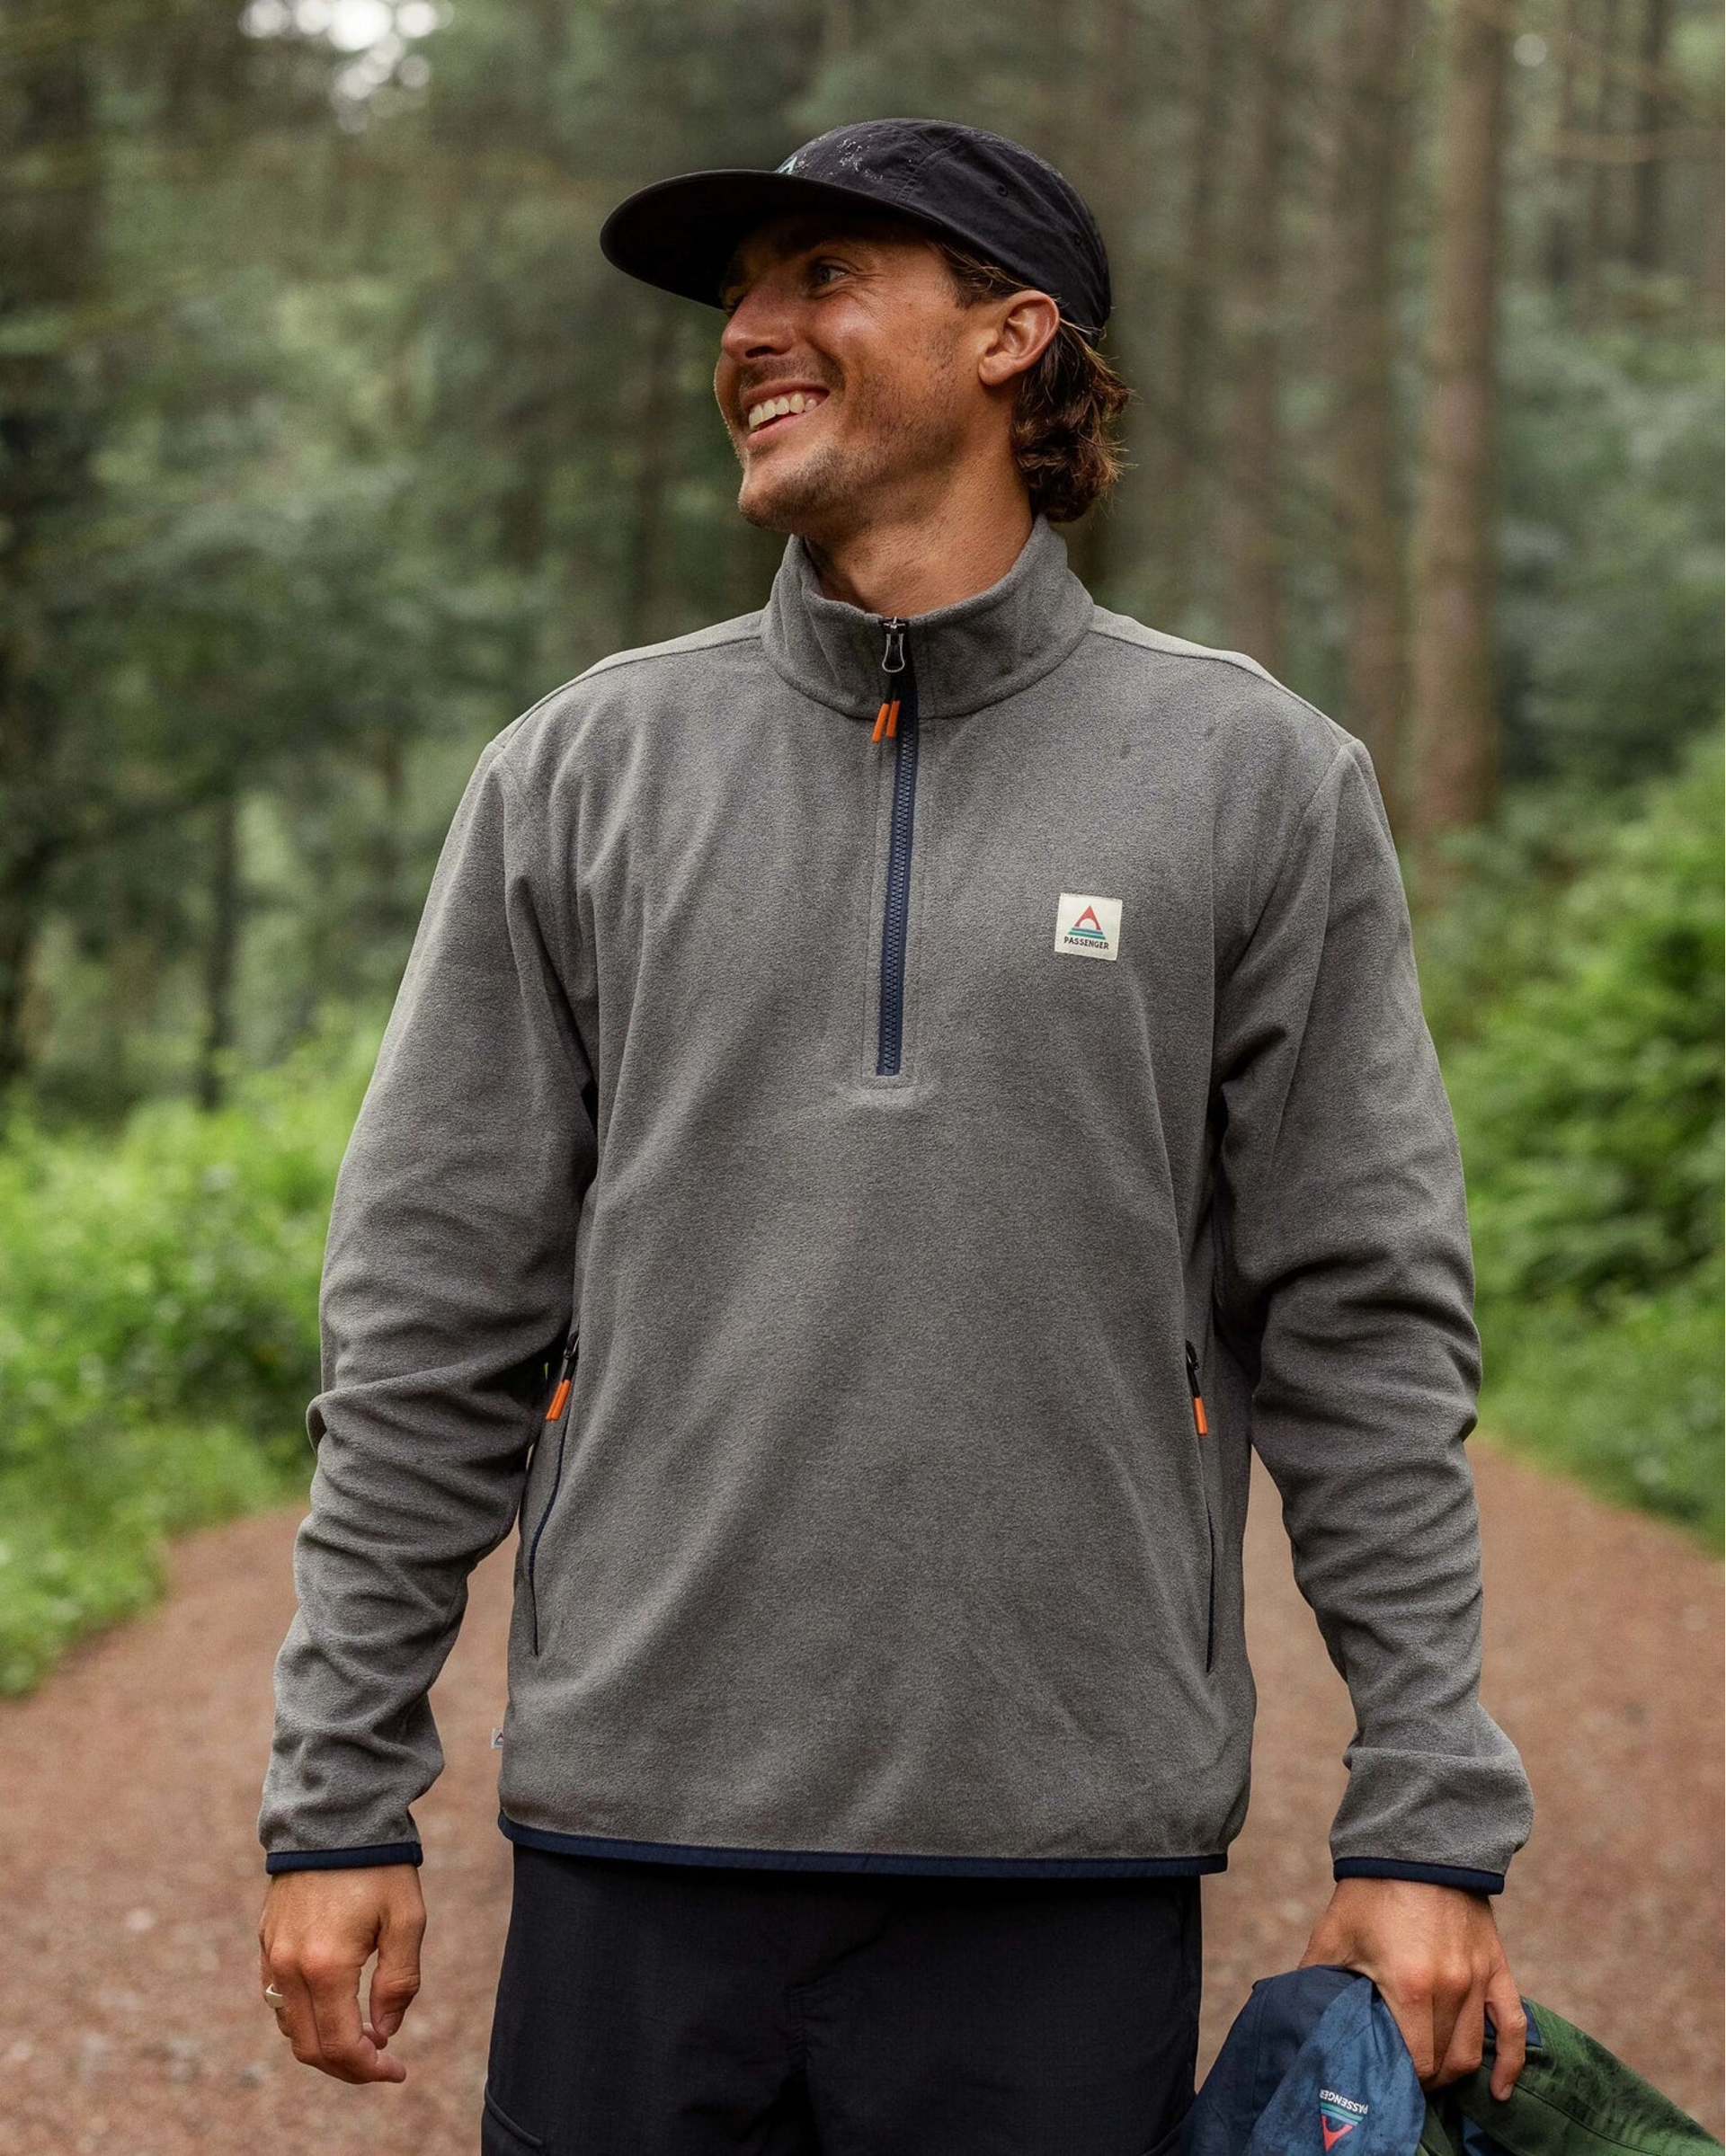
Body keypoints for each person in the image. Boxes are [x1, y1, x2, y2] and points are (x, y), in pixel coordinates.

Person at [254, 117, 1536, 2154]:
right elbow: (426, 1316)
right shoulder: (579, 772)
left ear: (1015, 336)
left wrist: (1428, 1818)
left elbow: (1366, 1326)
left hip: (1065, 1858)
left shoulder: (1258, 780)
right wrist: (337, 1791)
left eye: (824, 276)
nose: (749, 332)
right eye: (739, 296)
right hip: (635, 1838)